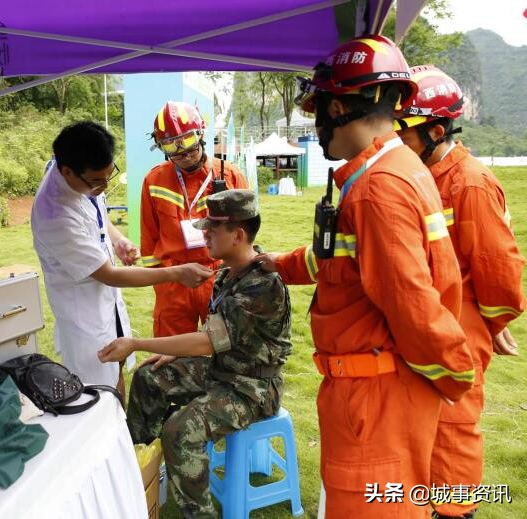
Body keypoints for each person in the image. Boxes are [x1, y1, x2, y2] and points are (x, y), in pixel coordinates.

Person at [255, 35, 475, 518]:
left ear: (336, 107)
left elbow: (410, 301)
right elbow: (346, 264)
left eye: (316, 112)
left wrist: (455, 374)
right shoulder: (398, 168)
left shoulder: (377, 189)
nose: (317, 127)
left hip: (374, 400)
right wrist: (278, 262)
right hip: (379, 390)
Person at [99, 189, 292, 518]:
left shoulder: (262, 284)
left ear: (238, 235)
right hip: (223, 370)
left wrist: (136, 343)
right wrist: (173, 353)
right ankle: (142, 475)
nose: (205, 235)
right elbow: (212, 332)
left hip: (253, 388)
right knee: (149, 377)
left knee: (180, 430)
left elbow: (207, 342)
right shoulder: (228, 273)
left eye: (213, 229)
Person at [394, 65, 526, 519]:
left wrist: (490, 323)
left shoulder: (469, 182)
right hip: (431, 321)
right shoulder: (423, 175)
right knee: (426, 426)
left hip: (461, 327)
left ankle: (454, 512)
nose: (396, 140)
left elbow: (498, 269)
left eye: (404, 131)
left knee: (453, 426)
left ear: (436, 131)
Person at [31, 121, 212, 393]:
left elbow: (95, 212)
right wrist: (176, 273)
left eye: (109, 176)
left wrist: (117, 239)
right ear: (67, 171)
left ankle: (121, 416)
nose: (104, 187)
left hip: (107, 301)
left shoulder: (81, 177)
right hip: (85, 313)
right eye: (97, 181)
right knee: (98, 387)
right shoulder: (54, 215)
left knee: (117, 364)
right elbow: (109, 275)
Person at [140, 101, 248, 340]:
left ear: (201, 134)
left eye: (188, 140)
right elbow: (149, 240)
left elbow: (246, 235)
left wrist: (237, 277)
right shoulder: (154, 181)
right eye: (172, 144)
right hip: (174, 281)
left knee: (226, 347)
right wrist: (163, 284)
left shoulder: (230, 176)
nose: (184, 152)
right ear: (161, 146)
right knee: (171, 353)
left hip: (220, 275)